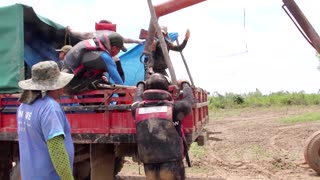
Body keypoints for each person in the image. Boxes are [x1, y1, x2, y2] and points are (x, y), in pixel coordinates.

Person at [16, 61, 75, 180]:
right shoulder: (50, 108)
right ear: (54, 86)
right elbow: (56, 149)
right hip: (48, 176)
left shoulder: (24, 106)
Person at [131, 73, 194, 180]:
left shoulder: (136, 108)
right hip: (171, 161)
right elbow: (188, 101)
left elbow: (137, 97)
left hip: (148, 161)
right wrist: (185, 84)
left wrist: (140, 85)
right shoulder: (174, 108)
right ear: (166, 89)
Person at [67, 20, 144, 82]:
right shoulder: (113, 34)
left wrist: (70, 30)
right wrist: (137, 41)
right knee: (118, 78)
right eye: (118, 49)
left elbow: (79, 34)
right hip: (109, 60)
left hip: (86, 66)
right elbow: (127, 39)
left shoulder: (93, 35)